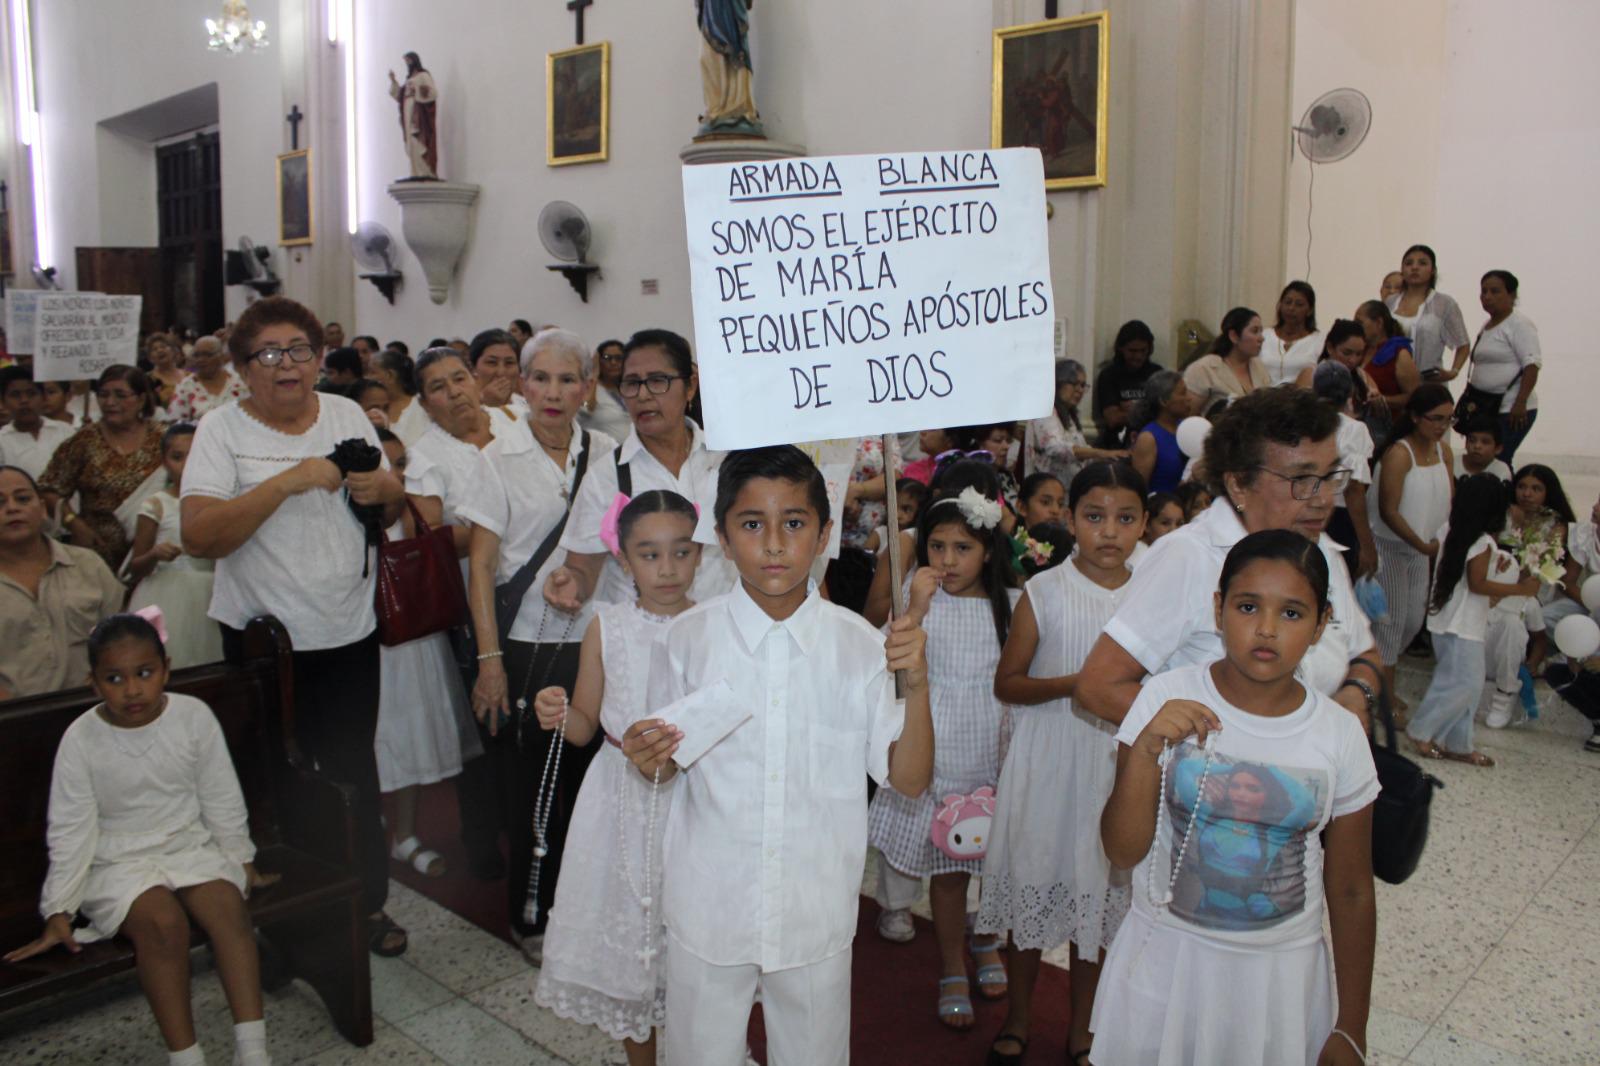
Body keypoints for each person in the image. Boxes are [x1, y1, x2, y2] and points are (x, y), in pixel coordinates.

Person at [624, 446, 934, 1066]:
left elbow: (909, 778)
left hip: (813, 909)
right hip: (711, 906)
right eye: (751, 524)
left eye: (793, 523)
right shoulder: (687, 639)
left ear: (823, 534)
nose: (773, 543)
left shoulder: (859, 647)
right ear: (720, 536)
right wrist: (644, 753)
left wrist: (918, 683)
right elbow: (662, 762)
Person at [1093, 530, 1378, 1066]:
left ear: (1321, 624)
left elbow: (1352, 889)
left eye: (1292, 613)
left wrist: (1352, 1026)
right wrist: (1148, 746)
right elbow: (1120, 851)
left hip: (1279, 978)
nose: (1266, 629)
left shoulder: (1338, 734)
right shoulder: (1165, 696)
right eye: (1248, 606)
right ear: (1219, 609)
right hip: (1166, 960)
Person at [180, 296, 409, 958]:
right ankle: (287, 923)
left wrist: (380, 492)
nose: (288, 366)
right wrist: (287, 483)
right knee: (277, 783)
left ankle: (366, 905)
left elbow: (392, 492)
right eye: (269, 354)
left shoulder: (341, 411)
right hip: (266, 644)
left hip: (347, 632)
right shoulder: (222, 431)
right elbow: (199, 536)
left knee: (350, 775)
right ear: (244, 367)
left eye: (300, 351)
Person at [3, 613, 278, 1066]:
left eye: (144, 674)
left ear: (166, 669)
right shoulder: (82, 740)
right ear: (93, 684)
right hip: (117, 863)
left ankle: (253, 1052)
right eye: (114, 678)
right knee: (162, 924)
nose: (132, 690)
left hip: (186, 846)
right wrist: (59, 909)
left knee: (228, 905)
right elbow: (71, 829)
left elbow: (220, 795)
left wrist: (239, 858)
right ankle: (186, 1057)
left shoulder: (193, 717)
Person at [1076, 388, 1382, 728]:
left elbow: (1364, 653)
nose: (1323, 499)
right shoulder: (1188, 558)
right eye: (1302, 479)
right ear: (1238, 485)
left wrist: (1357, 691)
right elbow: (1099, 688)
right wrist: (1230, 741)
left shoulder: (1320, 549)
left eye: (1329, 477)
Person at [981, 462, 1147, 1065]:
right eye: (1095, 517)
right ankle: (1019, 1018)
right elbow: (1009, 683)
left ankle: (1084, 1030)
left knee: (1096, 904)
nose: (1109, 532)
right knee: (1033, 885)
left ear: (1144, 523)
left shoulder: (1152, 594)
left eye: (1125, 518)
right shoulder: (1045, 591)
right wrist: (1079, 685)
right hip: (1049, 759)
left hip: (1115, 765)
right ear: (1070, 520)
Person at [531, 491, 702, 1066]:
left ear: (700, 554)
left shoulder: (713, 625)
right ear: (625, 561)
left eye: (681, 552)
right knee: (632, 952)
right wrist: (557, 714)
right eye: (650, 555)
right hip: (620, 804)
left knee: (692, 946)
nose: (668, 568)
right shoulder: (607, 626)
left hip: (694, 804)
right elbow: (584, 727)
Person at [467, 329, 619, 961]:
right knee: (537, 789)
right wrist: (490, 662)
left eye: (567, 379)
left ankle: (587, 908)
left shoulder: (610, 451)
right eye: (540, 378)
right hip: (528, 644)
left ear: (587, 388)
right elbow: (479, 569)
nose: (553, 392)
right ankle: (532, 915)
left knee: (593, 784)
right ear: (520, 385)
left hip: (597, 639)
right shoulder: (495, 459)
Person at [867, 489, 1018, 1026]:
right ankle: (952, 961)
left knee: (997, 865)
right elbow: (891, 663)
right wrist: (917, 609)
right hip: (936, 756)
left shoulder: (1013, 605)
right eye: (937, 546)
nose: (947, 561)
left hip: (993, 757)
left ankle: (987, 939)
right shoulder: (917, 595)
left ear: (988, 551)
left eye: (963, 548)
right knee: (951, 870)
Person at [401, 347, 506, 880]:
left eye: (460, 378)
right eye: (439, 387)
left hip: (541, 599)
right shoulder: (426, 457)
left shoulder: (516, 426)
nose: (455, 391)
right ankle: (482, 840)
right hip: (474, 606)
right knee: (487, 724)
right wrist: (497, 524)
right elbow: (432, 542)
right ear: (425, 402)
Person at [544, 328, 732, 615]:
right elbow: (582, 570)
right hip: (642, 643)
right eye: (631, 384)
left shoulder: (727, 463)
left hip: (720, 633)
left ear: (691, 386)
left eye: (658, 381)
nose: (643, 395)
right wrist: (569, 585)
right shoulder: (607, 475)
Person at [372, 428, 476, 880]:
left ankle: (406, 835)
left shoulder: (411, 513)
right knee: (375, 739)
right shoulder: (342, 515)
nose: (394, 475)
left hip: (413, 640)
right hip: (369, 647)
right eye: (383, 465)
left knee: (412, 735)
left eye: (399, 465)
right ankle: (369, 830)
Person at [1408, 476, 1540, 766]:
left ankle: (1459, 743)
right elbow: (1478, 583)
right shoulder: (1480, 541)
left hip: (1449, 622)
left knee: (1468, 685)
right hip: (1462, 626)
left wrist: (1498, 557)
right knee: (1462, 685)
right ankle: (1421, 730)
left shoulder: (1452, 531)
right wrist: (1521, 589)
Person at [0, 466, 125, 700]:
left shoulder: (88, 565)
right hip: (10, 721)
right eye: (0, 502)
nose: (12, 508)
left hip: (94, 708)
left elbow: (123, 639)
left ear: (42, 507)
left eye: (23, 498)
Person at [1368, 384, 1456, 703]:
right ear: (1416, 417)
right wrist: (1420, 543)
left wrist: (1437, 542)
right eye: (1436, 419)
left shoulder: (1443, 451)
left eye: (1448, 419)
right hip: (1391, 547)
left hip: (1424, 548)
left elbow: (1448, 497)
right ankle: (1385, 697)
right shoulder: (1398, 454)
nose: (1443, 426)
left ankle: (1375, 674)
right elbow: (1388, 511)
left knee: (1414, 621)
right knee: (1391, 624)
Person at [39, 365, 165, 569]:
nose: (110, 402)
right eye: (103, 395)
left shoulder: (164, 438)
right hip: (96, 554)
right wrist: (74, 523)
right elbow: (48, 489)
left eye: (120, 395)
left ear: (141, 399)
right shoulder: (84, 440)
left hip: (155, 553)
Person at [127, 425, 220, 670]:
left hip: (212, 592)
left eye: (194, 455)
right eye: (177, 457)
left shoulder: (220, 502)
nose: (187, 465)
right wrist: (154, 555)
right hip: (167, 594)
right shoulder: (156, 505)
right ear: (165, 462)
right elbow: (135, 567)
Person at [1463, 269, 1541, 465]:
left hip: (1511, 409)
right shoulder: (1487, 325)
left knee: (1499, 459)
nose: (1487, 296)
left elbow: (1532, 365)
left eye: (1495, 291)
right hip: (1485, 405)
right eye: (1484, 291)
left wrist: (1520, 402)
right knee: (1483, 460)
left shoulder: (1519, 325)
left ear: (1512, 295)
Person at [1309, 362, 1378, 580]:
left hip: (1301, 509)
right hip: (1339, 518)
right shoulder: (1354, 430)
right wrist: (1367, 544)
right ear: (1350, 392)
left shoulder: (1301, 424)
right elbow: (1354, 489)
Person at [1028, 359, 1127, 487]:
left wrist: (1110, 457)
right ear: (1058, 383)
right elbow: (1055, 448)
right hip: (1046, 486)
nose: (1079, 390)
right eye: (1074, 383)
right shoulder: (1045, 410)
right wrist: (1101, 453)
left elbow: (1082, 452)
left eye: (1083, 385)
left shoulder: (1070, 415)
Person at [1385, 244, 1470, 381]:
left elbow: (1463, 344)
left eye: (1422, 263)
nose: (1414, 267)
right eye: (1408, 263)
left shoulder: (1444, 304)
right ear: (1402, 270)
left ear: (1433, 271)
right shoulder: (1390, 302)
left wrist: (1453, 372)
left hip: (1428, 383)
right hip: (1392, 380)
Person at [1182, 307, 1271, 413]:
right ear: (1234, 336)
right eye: (1255, 331)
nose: (1261, 338)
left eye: (1261, 332)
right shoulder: (1204, 368)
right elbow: (1188, 415)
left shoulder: (1258, 365)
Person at [1092, 320, 1162, 442]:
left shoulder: (1157, 373)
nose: (1138, 357)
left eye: (1143, 350)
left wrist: (1133, 410)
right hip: (1118, 441)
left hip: (1154, 438)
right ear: (1121, 348)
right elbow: (1113, 418)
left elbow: (1166, 414)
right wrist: (1148, 410)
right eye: (1132, 351)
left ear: (1149, 349)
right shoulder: (1109, 375)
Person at [0, 367, 73, 480]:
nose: (24, 400)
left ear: (43, 398)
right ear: (3, 402)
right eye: (15, 395)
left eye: (31, 393)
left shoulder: (66, 431)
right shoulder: (2, 441)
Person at [1129, 370, 1192, 495]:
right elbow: (1139, 490)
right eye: (1183, 393)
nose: (1189, 398)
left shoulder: (1188, 429)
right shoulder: (1149, 439)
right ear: (1164, 401)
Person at [1354, 299, 1419, 414]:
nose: (1355, 327)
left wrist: (1383, 400)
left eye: (1359, 323)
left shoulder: (1399, 353)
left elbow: (1414, 396)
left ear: (1379, 323)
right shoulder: (1360, 349)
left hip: (1386, 424)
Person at [168, 336, 249, 422]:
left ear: (221, 356)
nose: (201, 359)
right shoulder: (185, 386)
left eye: (207, 355)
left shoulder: (240, 382)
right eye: (196, 355)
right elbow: (175, 424)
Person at [1261, 281, 1324, 387]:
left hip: (1302, 400)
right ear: (1280, 305)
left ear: (1310, 310)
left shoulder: (1319, 340)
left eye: (1299, 304)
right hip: (1262, 399)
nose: (1291, 308)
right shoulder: (1264, 336)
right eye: (1287, 302)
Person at [388, 52, 439, 179]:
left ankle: (425, 171)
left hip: (418, 113)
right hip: (407, 110)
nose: (407, 65)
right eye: (406, 63)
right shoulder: (408, 79)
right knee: (411, 142)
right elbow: (399, 95)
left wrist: (417, 90)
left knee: (418, 140)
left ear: (415, 61)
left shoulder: (423, 75)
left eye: (409, 62)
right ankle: (415, 171)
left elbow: (432, 93)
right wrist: (393, 81)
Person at [372, 348, 430, 445]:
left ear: (390, 375)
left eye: (372, 372)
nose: (366, 377)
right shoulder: (366, 406)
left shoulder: (422, 407)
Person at [580, 337, 633, 442]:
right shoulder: (590, 387)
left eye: (618, 358)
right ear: (599, 361)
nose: (613, 362)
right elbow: (586, 409)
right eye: (607, 357)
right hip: (600, 454)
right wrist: (593, 374)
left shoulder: (628, 389)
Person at [466, 328, 526, 414]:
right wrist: (486, 404)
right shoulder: (458, 409)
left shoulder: (528, 407)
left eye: (509, 363)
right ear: (472, 368)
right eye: (492, 362)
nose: (501, 372)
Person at [1453, 416, 1512, 482]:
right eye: (1472, 440)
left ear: (1498, 449)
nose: (1477, 446)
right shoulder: (1452, 464)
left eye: (1485, 442)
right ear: (1465, 444)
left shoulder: (1501, 470)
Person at [143, 333, 189, 411]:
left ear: (173, 351)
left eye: (163, 346)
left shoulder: (190, 376)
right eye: (154, 349)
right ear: (150, 357)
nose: (160, 350)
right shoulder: (146, 379)